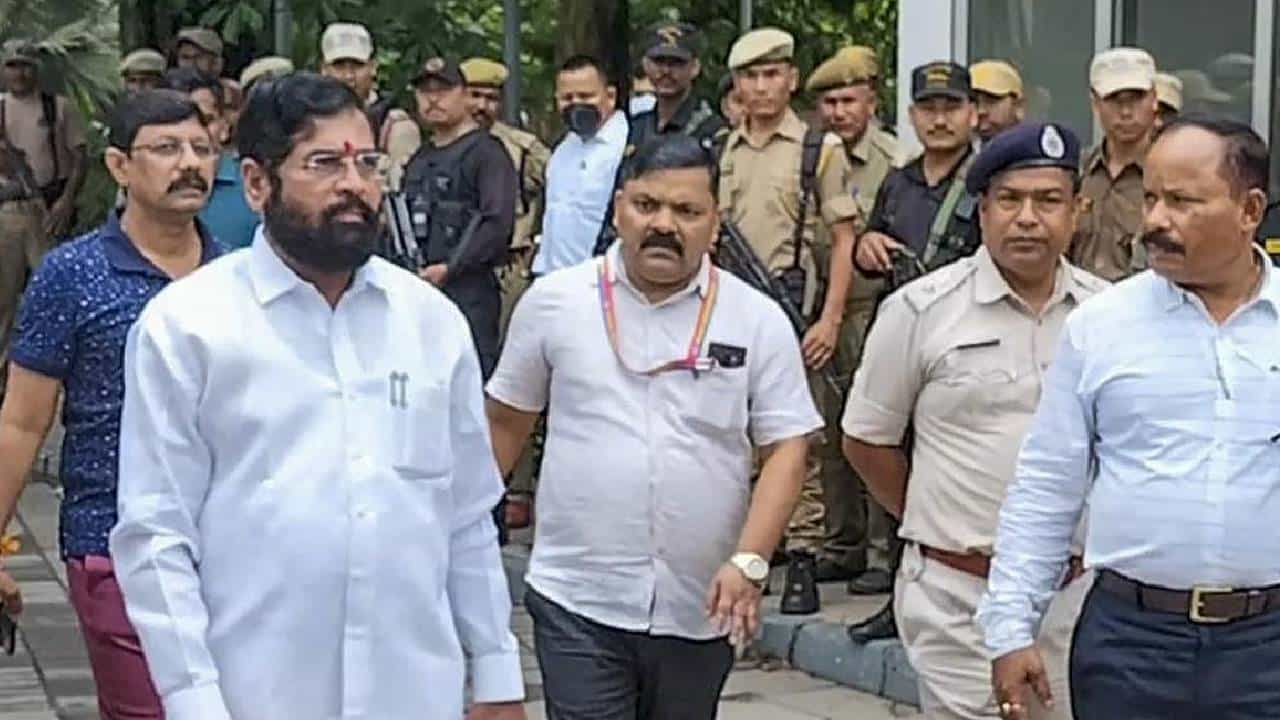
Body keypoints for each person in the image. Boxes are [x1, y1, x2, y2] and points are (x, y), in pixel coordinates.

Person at [109, 73, 525, 720]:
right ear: (256, 183)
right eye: (324, 163)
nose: (354, 184)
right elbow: (156, 535)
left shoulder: (430, 323)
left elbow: (467, 515)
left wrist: (498, 676)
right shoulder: (189, 326)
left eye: (367, 163)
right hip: (253, 697)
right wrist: (194, 702)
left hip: (413, 694)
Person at [487, 134, 819, 719]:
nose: (664, 225)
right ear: (619, 208)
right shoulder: (554, 302)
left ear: (715, 224)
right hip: (578, 597)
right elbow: (504, 426)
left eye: (687, 211)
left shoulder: (757, 319)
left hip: (701, 606)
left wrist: (750, 561)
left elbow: (788, 447)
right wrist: (459, 547)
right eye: (647, 206)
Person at [978, 117, 1280, 720]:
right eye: (1151, 198)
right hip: (1131, 646)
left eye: (1183, 202)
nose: (1156, 221)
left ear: (1250, 210)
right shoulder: (1101, 326)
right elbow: (1047, 485)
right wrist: (1009, 628)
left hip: (1267, 646)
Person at [845, 122, 1106, 720]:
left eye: (1048, 201)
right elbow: (866, 439)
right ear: (982, 210)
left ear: (1077, 211)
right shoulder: (921, 310)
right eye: (1009, 200)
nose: (1027, 219)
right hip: (960, 596)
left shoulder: (1107, 315)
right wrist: (929, 519)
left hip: (1076, 597)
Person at [0, 89, 222, 720]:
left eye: (202, 149)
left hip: (231, 546)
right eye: (167, 148)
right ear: (120, 165)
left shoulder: (238, 275)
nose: (190, 164)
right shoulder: (72, 275)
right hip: (113, 542)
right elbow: (22, 420)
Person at [718, 27, 861, 613]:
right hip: (730, 309)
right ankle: (757, 548)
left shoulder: (817, 149)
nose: (761, 87)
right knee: (734, 431)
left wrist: (829, 319)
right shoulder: (723, 150)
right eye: (750, 76)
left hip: (790, 306)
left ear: (791, 79)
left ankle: (802, 555)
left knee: (796, 436)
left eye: (772, 74)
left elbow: (844, 238)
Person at [847, 61, 983, 640]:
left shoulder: (984, 181)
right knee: (892, 455)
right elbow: (869, 247)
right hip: (903, 339)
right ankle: (901, 589)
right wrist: (868, 245)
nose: (939, 119)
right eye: (928, 108)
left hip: (966, 341)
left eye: (951, 107)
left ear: (973, 113)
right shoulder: (899, 182)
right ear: (911, 116)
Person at [805, 44, 902, 589]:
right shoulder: (813, 155)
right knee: (830, 432)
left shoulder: (892, 159)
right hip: (820, 306)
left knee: (872, 426)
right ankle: (841, 543)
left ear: (871, 100)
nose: (838, 112)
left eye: (848, 100)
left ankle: (882, 554)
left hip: (870, 309)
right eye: (829, 103)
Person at [460, 56, 552, 530]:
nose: (481, 105)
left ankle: (518, 486)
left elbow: (557, 195)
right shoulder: (443, 148)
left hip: (513, 267)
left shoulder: (521, 148)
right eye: (473, 95)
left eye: (490, 97)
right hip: (463, 275)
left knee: (515, 375)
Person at [403, 58, 517, 379]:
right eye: (425, 91)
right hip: (419, 290)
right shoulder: (421, 157)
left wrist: (451, 268)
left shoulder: (486, 152)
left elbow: (496, 222)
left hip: (469, 292)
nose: (433, 99)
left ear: (465, 95)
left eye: (443, 90)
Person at [532, 54, 627, 276]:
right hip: (553, 277)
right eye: (567, 98)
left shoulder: (627, 147)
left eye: (586, 96)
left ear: (610, 97)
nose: (576, 104)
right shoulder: (564, 148)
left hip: (603, 278)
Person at [1069, 47, 1157, 281]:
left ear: (1154, 99)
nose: (1126, 112)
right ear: (1095, 103)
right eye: (1113, 100)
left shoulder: (1172, 175)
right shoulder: (1075, 172)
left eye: (1136, 98)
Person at [1, 40, 88, 241]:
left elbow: (80, 159)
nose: (19, 74)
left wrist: (66, 201)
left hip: (51, 207)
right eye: (12, 66)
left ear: (36, 69)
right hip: (9, 211)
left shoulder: (58, 106)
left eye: (25, 66)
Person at [163, 68, 258, 250]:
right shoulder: (142, 187)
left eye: (205, 121)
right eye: (176, 122)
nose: (193, 132)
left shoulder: (255, 186)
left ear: (225, 126)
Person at [320, 22, 420, 190]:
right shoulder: (310, 120)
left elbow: (404, 193)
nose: (348, 76)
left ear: (373, 67)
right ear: (324, 69)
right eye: (339, 66)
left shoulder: (393, 126)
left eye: (357, 66)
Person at [628, 22, 720, 150]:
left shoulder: (711, 130)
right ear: (645, 64)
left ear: (695, 67)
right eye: (659, 61)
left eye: (676, 62)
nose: (666, 71)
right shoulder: (635, 128)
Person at [970, 60, 1025, 143]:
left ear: (1018, 105)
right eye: (973, 101)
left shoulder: (1035, 147)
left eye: (991, 101)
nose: (981, 111)